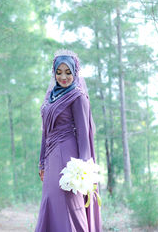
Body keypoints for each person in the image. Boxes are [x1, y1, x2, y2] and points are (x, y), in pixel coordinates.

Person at [35, 49, 102, 232]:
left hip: (69, 158)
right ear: (54, 73)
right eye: (59, 72)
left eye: (68, 72)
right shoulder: (50, 98)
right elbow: (45, 132)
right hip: (50, 156)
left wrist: (84, 169)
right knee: (51, 201)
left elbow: (83, 134)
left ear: (75, 73)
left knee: (69, 203)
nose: (63, 77)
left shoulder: (78, 97)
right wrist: (41, 162)